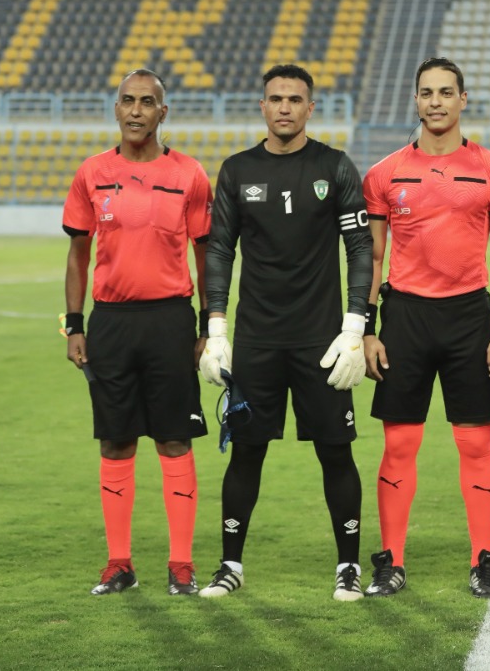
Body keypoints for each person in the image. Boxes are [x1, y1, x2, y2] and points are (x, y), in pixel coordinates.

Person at [196, 64, 373, 602]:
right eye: (276, 98)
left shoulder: (334, 166)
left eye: (295, 99)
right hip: (257, 341)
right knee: (246, 452)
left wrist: (354, 327)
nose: (285, 108)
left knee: (335, 452)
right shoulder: (236, 170)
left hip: (321, 341)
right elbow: (219, 250)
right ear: (263, 106)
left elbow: (360, 248)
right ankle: (230, 565)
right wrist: (217, 329)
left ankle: (348, 566)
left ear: (310, 108)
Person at [360, 56, 490, 599]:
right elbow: (372, 257)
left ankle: (482, 561)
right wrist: (367, 329)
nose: (436, 102)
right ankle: (391, 561)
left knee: (475, 443)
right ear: (415, 99)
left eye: (446, 92)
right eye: (426, 92)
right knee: (399, 444)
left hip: (469, 318)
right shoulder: (383, 174)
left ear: (463, 99)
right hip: (404, 317)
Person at [62, 68, 212, 596]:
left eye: (147, 102)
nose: (136, 110)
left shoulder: (190, 174)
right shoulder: (92, 173)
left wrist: (209, 326)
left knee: (174, 439)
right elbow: (78, 256)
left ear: (162, 112)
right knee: (116, 440)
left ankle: (181, 565)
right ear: (116, 108)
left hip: (170, 321)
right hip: (111, 322)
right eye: (128, 100)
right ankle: (119, 563)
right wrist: (74, 325)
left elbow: (205, 256)